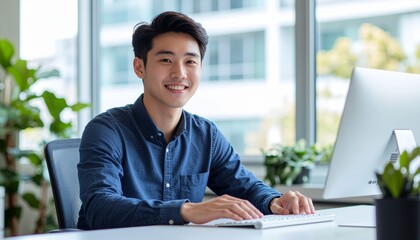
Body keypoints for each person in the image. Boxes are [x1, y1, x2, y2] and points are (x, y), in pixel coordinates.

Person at [77, 11, 315, 230]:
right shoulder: (107, 130)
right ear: (139, 67)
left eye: (190, 61)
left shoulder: (206, 134)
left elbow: (246, 187)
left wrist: (275, 201)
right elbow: (100, 207)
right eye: (166, 60)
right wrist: (187, 210)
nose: (180, 73)